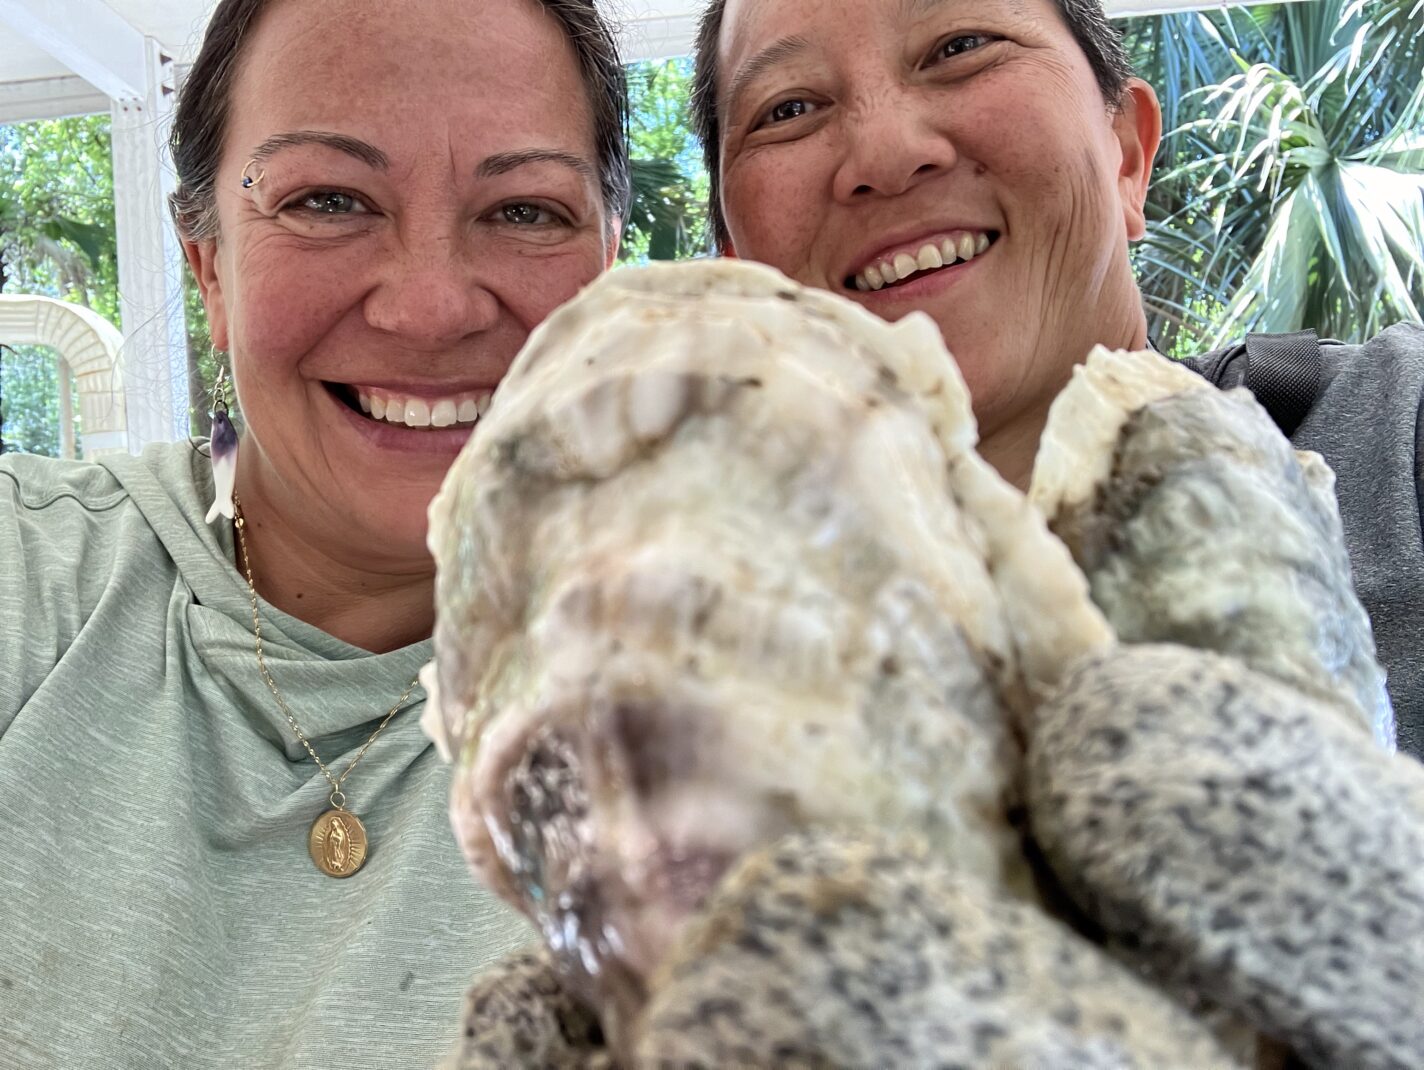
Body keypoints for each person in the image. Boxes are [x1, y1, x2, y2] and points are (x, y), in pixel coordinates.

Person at [0, 0, 626, 1065]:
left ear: (608, 269)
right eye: (329, 199)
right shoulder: (35, 577)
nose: (430, 309)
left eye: (523, 211)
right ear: (210, 269)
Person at [690, 0, 1424, 760]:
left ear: (1127, 155)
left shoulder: (1398, 439)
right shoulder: (691, 681)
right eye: (790, 108)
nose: (884, 153)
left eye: (960, 47)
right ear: (737, 268)